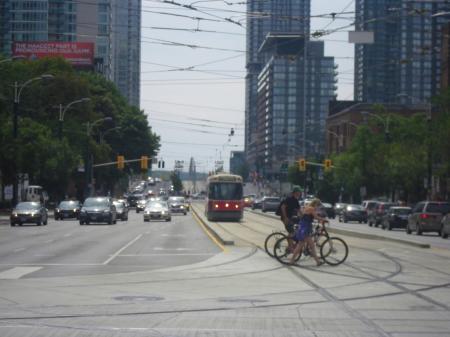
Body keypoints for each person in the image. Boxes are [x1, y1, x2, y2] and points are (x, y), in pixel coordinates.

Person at [289, 198, 328, 266]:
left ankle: (318, 262)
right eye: (318, 205)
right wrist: (323, 219)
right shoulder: (311, 208)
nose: (318, 207)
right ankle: (292, 261)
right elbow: (315, 217)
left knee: (311, 245)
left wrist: (320, 219)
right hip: (305, 228)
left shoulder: (308, 207)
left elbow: (310, 217)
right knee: (300, 245)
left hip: (304, 227)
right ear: (315, 204)